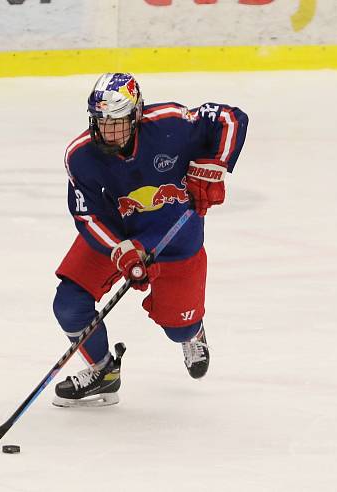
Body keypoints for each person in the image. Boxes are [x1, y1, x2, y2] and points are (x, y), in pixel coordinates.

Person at [51, 73, 248, 407]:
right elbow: (88, 217)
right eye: (100, 122)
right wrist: (120, 251)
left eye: (117, 123)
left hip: (173, 236)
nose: (107, 133)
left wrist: (213, 168)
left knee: (178, 329)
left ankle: (193, 331)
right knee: (69, 305)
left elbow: (231, 119)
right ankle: (103, 372)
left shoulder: (170, 123)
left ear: (137, 115)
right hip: (117, 235)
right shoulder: (80, 156)